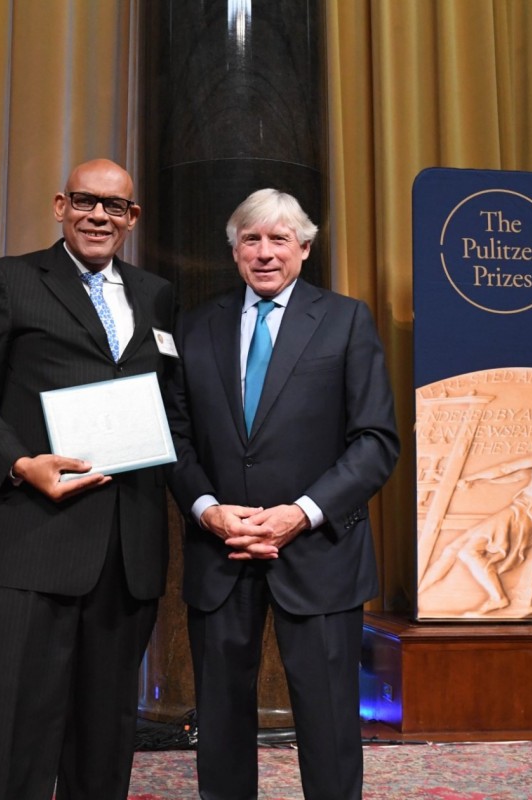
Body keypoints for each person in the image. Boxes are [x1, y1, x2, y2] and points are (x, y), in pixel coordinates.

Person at [0, 158, 176, 800]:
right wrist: (20, 463)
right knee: (13, 729)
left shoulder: (156, 295)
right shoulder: (11, 281)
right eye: (84, 201)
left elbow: (169, 414)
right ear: (59, 205)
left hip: (127, 552)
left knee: (104, 741)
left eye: (114, 206)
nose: (98, 215)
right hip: (33, 544)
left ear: (133, 218)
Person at [166, 188, 399, 800]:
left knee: (327, 724)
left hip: (319, 552)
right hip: (223, 552)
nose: (265, 253)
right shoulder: (195, 326)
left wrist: (301, 513)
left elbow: (376, 441)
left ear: (305, 247)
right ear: (234, 250)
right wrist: (208, 510)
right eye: (251, 239)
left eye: (278, 239)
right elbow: (176, 440)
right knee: (218, 721)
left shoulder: (347, 320)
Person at [420, 413, 532, 613]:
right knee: (452, 548)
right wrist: (475, 480)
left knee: (469, 551)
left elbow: (506, 467)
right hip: (531, 511)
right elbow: (517, 476)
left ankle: (498, 598)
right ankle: (420, 592)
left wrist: (473, 476)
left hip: (525, 511)